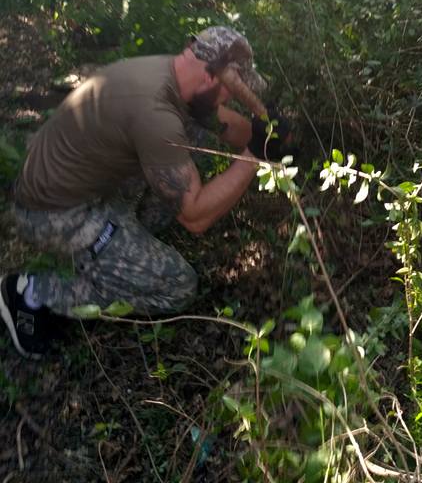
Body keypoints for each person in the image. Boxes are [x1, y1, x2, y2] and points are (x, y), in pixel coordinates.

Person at [0, 26, 290, 359]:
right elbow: (195, 218)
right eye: (230, 93)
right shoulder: (157, 114)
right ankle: (31, 292)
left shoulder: (174, 74)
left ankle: (112, 249)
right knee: (177, 286)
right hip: (54, 215)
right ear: (212, 79)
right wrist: (256, 154)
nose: (229, 100)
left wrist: (262, 132)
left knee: (193, 129)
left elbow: (222, 122)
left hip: (88, 187)